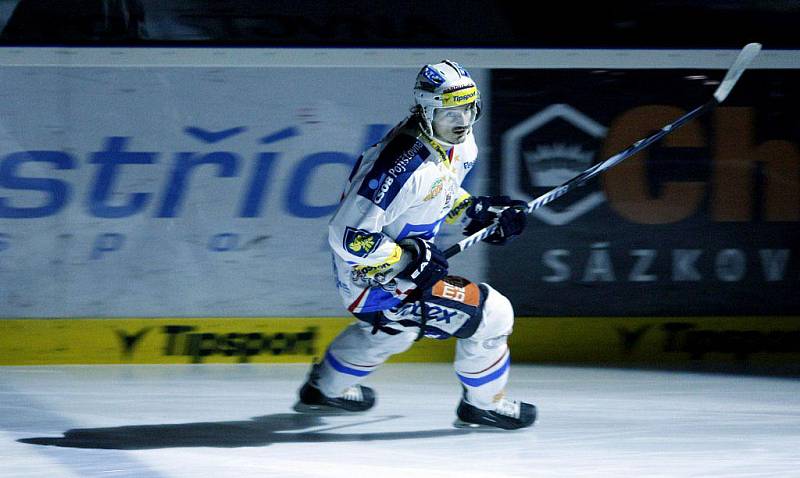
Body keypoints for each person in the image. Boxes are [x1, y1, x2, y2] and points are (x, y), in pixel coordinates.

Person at [294, 60, 536, 430]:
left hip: (382, 278)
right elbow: (346, 235)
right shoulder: (401, 165)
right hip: (376, 280)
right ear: (426, 111)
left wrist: (474, 209)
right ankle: (485, 404)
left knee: (394, 333)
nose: (461, 121)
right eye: (448, 113)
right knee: (494, 314)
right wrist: (403, 258)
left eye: (468, 109)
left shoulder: (455, 141)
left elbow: (437, 192)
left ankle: (324, 388)